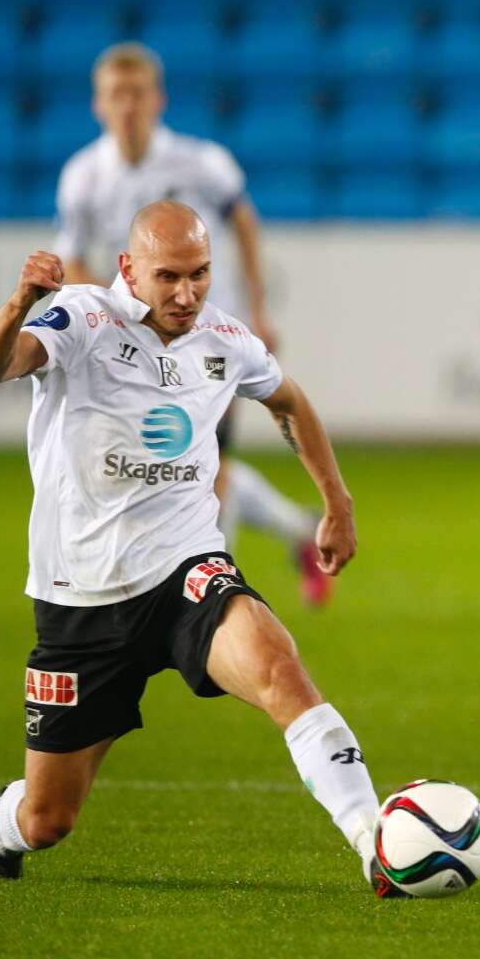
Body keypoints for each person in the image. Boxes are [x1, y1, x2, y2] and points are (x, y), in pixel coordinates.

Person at [0, 201, 390, 893]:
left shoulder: (225, 338)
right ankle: (3, 827)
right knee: (48, 820)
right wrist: (20, 304)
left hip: (184, 571)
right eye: (168, 276)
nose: (187, 293)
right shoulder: (82, 317)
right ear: (128, 268)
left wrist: (336, 502)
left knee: (278, 667)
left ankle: (376, 843)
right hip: (80, 601)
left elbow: (289, 402)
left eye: (199, 274)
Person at [56, 43, 333, 607]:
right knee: (171, 464)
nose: (127, 106)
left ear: (158, 99)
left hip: (205, 341)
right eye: (116, 95)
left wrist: (257, 311)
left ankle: (207, 593)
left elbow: (245, 225)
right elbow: (73, 260)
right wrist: (104, 321)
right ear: (98, 104)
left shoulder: (200, 162)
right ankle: (297, 530)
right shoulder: (83, 176)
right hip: (132, 348)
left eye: (137, 93)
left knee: (204, 466)